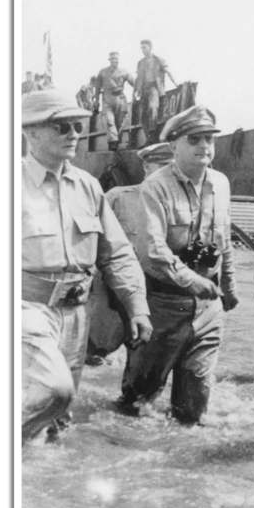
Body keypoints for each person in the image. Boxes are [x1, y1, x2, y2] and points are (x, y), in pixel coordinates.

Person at [21, 89, 152, 443]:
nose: (74, 134)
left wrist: (136, 306)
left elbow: (116, 253)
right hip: (28, 308)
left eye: (77, 126)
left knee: (59, 418)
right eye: (61, 126)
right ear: (31, 132)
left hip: (77, 313)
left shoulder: (88, 186)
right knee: (55, 389)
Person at [118, 105, 238, 425]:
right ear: (173, 146)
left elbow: (224, 240)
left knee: (193, 410)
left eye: (209, 139)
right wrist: (191, 280)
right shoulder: (156, 186)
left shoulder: (221, 184)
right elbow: (153, 250)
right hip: (163, 305)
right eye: (194, 139)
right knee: (138, 404)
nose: (204, 146)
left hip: (208, 308)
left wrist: (229, 285)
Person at [85, 143, 175, 367]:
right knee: (98, 351)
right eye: (162, 166)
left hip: (156, 293)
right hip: (114, 290)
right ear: (146, 166)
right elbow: (89, 242)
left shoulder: (178, 205)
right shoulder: (118, 197)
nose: (168, 174)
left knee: (146, 357)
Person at [134, 39, 178, 136]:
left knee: (152, 108)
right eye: (141, 48)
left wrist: (176, 83)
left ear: (150, 47)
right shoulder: (140, 63)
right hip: (143, 90)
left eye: (145, 48)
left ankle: (153, 132)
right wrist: (135, 92)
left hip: (154, 88)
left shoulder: (158, 60)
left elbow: (168, 72)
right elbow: (138, 78)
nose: (143, 50)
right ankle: (148, 136)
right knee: (143, 115)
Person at [94, 52, 135, 149]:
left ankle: (116, 142)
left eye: (116, 59)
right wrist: (96, 100)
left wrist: (137, 94)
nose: (114, 61)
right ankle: (113, 141)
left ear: (118, 60)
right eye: (112, 59)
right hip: (107, 98)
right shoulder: (103, 72)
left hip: (120, 98)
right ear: (109, 60)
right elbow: (97, 87)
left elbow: (135, 83)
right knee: (109, 120)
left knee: (120, 122)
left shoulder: (124, 72)